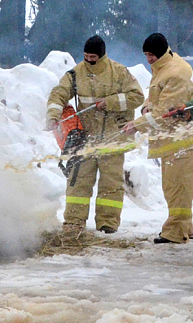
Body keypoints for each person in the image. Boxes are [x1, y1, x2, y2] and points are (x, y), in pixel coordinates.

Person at [45, 35, 143, 234]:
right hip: (85, 139)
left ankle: (108, 225)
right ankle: (73, 223)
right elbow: (58, 94)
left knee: (111, 185)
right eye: (86, 56)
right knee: (78, 183)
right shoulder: (75, 75)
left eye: (93, 57)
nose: (89, 60)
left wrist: (111, 102)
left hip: (113, 138)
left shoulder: (119, 73)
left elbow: (137, 97)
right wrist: (53, 115)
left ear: (102, 55)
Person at [127, 33, 193, 243]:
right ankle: (184, 228)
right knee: (176, 187)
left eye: (151, 55)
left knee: (178, 188)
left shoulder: (176, 73)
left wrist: (136, 125)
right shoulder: (165, 67)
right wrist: (145, 108)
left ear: (159, 53)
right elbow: (157, 97)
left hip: (181, 140)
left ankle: (175, 233)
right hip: (173, 140)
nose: (148, 59)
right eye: (146, 55)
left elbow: (166, 114)